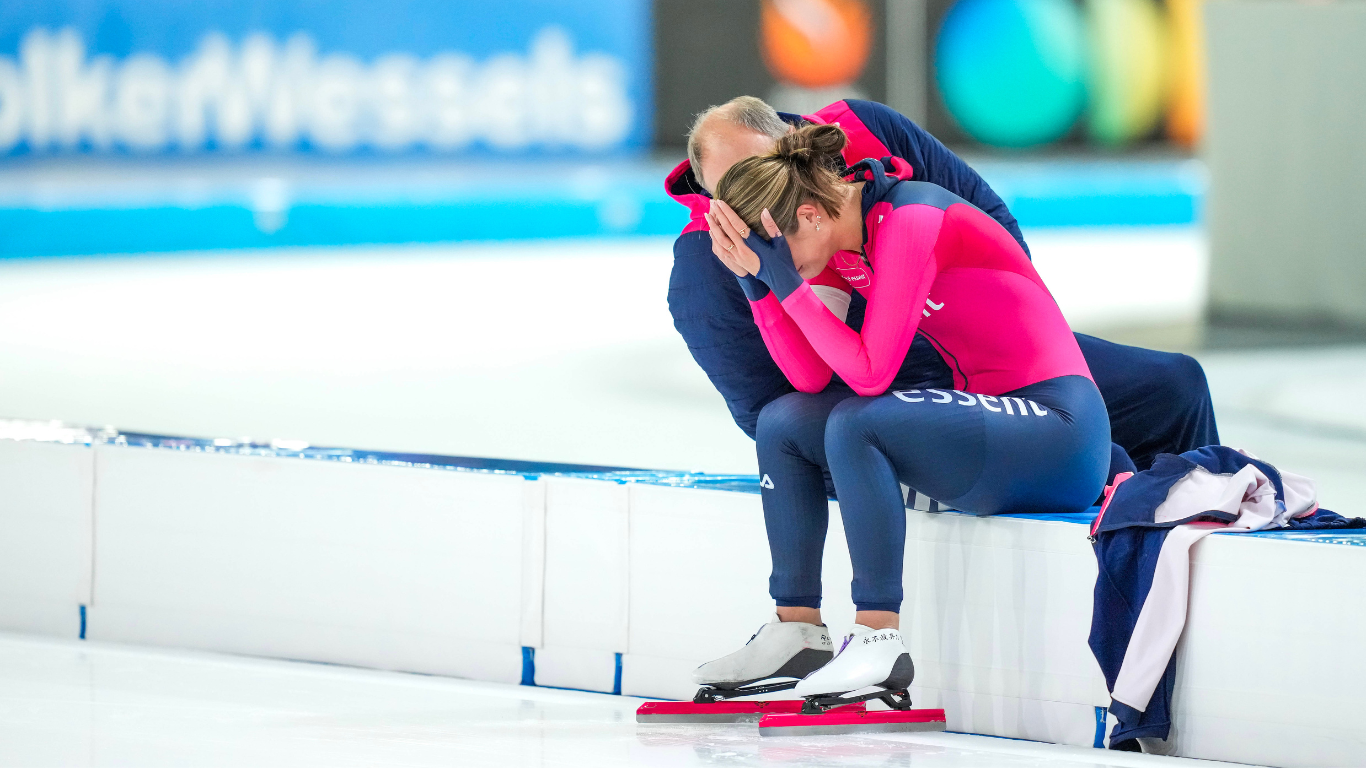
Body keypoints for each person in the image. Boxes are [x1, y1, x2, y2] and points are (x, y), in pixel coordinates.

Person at [691, 124, 1111, 707]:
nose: (775, 265)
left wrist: (783, 282)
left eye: (775, 251)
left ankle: (877, 637)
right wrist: (757, 283)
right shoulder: (841, 237)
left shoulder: (911, 222)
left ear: (810, 216)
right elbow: (808, 378)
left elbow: (869, 377)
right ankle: (796, 629)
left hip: (1059, 430)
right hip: (990, 422)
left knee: (858, 423)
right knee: (784, 423)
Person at [666, 97, 1218, 475]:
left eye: (764, 176)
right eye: (735, 197)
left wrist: (992, 338)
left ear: (791, 142)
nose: (759, 207)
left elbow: (993, 226)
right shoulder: (703, 263)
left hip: (976, 353)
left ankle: (1214, 532)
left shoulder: (863, 130)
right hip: (883, 397)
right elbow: (770, 412)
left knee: (1176, 386)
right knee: (1093, 456)